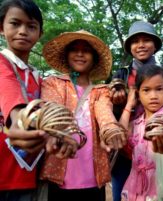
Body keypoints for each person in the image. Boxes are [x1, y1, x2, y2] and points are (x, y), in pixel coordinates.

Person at [40, 30, 127, 201]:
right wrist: (59, 132)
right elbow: (52, 110)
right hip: (58, 174)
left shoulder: (101, 91)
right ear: (67, 55)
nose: (80, 54)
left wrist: (110, 130)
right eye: (75, 49)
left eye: (86, 50)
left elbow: (104, 112)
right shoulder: (53, 83)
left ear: (94, 58)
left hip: (94, 177)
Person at [110, 20, 163, 201]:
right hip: (125, 151)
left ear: (155, 45)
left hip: (159, 151)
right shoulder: (121, 75)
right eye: (135, 41)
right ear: (130, 46)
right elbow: (110, 111)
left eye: (146, 40)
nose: (141, 45)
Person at [119, 64, 163, 200]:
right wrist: (129, 104)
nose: (153, 96)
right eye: (146, 90)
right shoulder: (135, 124)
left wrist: (161, 129)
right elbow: (119, 136)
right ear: (137, 94)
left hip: (160, 189)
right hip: (134, 189)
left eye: (159, 89)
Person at [0, 0, 45, 200]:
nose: (23, 31)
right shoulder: (2, 63)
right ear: (1, 28)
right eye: (15, 23)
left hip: (27, 172)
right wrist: (20, 119)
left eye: (31, 26)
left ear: (39, 34)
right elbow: (7, 86)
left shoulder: (37, 78)